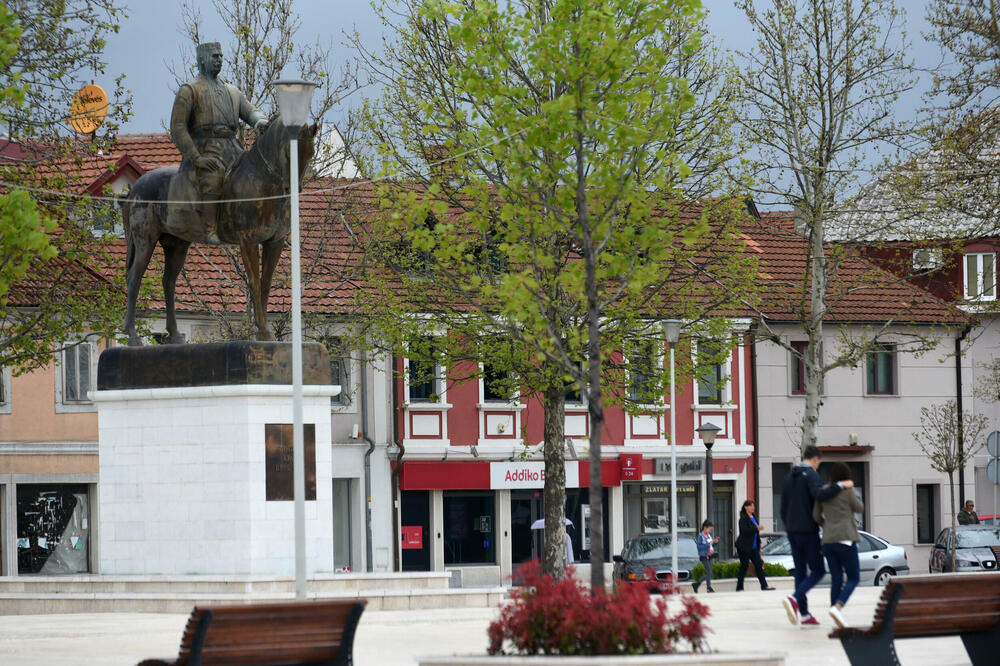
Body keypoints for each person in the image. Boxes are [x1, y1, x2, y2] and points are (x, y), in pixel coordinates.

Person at [168, 41, 267, 243]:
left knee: (255, 174)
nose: (219, 59)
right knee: (214, 173)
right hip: (205, 147)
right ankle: (210, 227)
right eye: (215, 56)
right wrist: (196, 157)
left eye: (221, 56)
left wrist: (260, 122)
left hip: (233, 147)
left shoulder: (233, 91)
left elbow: (250, 112)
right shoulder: (189, 90)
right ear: (203, 59)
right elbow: (178, 127)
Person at [780, 445, 853, 627]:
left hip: (792, 531)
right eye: (818, 463)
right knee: (818, 570)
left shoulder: (789, 477)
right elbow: (819, 495)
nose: (818, 466)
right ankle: (795, 598)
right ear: (815, 459)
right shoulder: (812, 475)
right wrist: (839, 485)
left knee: (800, 572)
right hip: (808, 530)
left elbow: (782, 508)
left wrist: (789, 525)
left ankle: (804, 614)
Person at [812, 462, 864, 628]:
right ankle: (838, 606)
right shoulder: (847, 491)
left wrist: (826, 525)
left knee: (836, 578)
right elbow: (859, 508)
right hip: (845, 539)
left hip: (828, 540)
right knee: (854, 577)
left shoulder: (824, 492)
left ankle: (835, 612)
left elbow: (815, 516)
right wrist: (853, 492)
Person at [735, 499, 776, 591]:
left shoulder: (754, 518)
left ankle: (764, 586)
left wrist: (759, 546)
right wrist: (757, 528)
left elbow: (756, 534)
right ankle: (739, 587)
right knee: (744, 566)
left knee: (758, 565)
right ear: (746, 507)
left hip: (754, 547)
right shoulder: (743, 519)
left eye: (754, 506)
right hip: (744, 547)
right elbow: (745, 531)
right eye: (751, 506)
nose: (753, 508)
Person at [692, 520, 720, 593]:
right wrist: (708, 544)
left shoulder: (708, 535)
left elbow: (711, 545)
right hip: (704, 556)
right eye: (709, 529)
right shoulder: (700, 536)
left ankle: (707, 587)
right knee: (709, 572)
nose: (710, 531)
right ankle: (699, 584)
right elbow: (699, 547)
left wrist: (715, 542)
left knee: (709, 572)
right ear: (705, 527)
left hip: (710, 555)